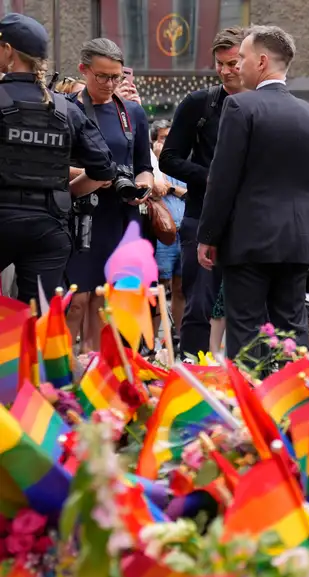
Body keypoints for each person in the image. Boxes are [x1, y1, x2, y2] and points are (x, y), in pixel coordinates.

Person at [198, 25, 309, 356]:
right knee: (292, 328)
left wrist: (209, 235)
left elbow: (223, 179)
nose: (237, 65)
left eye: (242, 58)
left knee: (245, 329)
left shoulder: (240, 107)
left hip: (249, 240)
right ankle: (294, 387)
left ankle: (249, 391)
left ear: (261, 62)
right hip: (300, 240)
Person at [0, 14, 113, 303]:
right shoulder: (65, 108)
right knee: (40, 320)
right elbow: (104, 169)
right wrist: (65, 192)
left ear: (8, 50)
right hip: (48, 227)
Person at [66, 38, 156, 352]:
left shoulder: (132, 113)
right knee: (76, 299)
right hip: (79, 213)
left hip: (120, 214)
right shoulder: (66, 108)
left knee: (105, 298)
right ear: (83, 69)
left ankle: (95, 364)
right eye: (101, 76)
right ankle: (61, 368)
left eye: (116, 77)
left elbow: (143, 166)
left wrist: (142, 187)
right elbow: (52, 166)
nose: (109, 84)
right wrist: (93, 176)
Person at [160, 26, 245, 357]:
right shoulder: (199, 103)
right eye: (219, 64)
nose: (225, 71)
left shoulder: (264, 103)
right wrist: (211, 178)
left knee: (249, 307)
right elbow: (169, 158)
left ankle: (244, 376)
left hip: (250, 220)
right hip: (201, 216)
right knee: (198, 303)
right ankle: (193, 371)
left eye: (233, 63)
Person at [150, 120, 187, 334]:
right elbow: (156, 190)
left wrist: (171, 188)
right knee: (159, 288)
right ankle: (152, 340)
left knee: (180, 288)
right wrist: (157, 162)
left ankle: (179, 337)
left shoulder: (181, 162)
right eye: (163, 138)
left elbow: (187, 192)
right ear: (154, 141)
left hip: (184, 233)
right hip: (162, 235)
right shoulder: (152, 164)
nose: (167, 142)